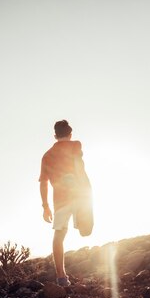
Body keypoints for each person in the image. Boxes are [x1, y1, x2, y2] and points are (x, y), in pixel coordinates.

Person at [39, 120, 92, 287]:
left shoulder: (46, 155)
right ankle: (82, 225)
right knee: (86, 231)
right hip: (79, 195)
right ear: (70, 134)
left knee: (59, 236)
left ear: (55, 136)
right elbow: (79, 167)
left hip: (60, 201)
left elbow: (43, 183)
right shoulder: (75, 144)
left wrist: (45, 206)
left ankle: (61, 277)